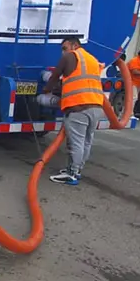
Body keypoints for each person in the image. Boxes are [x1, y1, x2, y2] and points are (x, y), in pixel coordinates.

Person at [45, 36, 106, 186]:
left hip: (78, 107)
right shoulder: (91, 59)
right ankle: (77, 170)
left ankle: (71, 173)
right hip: (96, 106)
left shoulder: (70, 56)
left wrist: (46, 90)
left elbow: (55, 76)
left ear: (73, 45)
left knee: (76, 143)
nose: (63, 52)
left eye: (64, 48)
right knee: (86, 141)